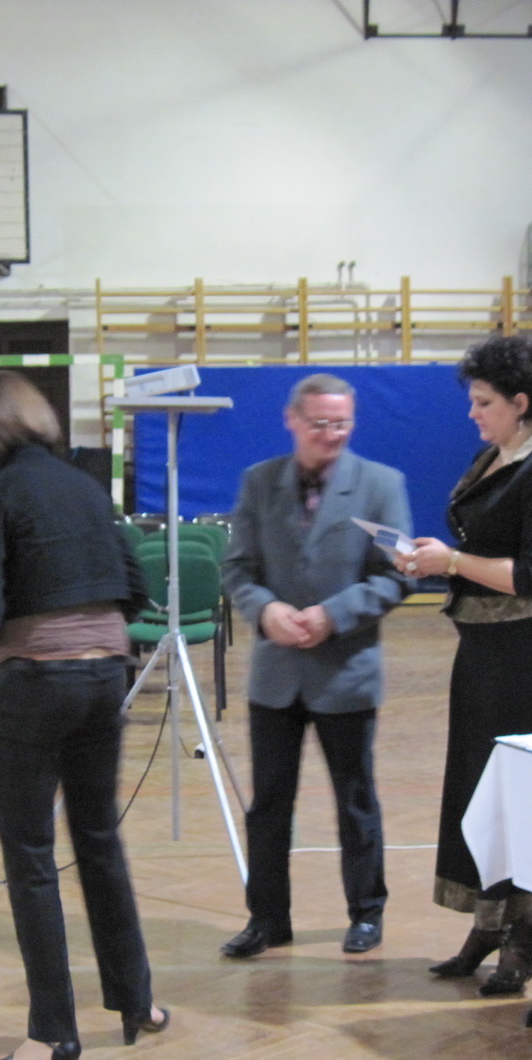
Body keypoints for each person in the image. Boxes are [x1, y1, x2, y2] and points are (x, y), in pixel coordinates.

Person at [0, 370, 168, 1060]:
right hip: (105, 676)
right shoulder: (86, 488)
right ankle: (137, 1000)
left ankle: (51, 1034)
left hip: (34, 683)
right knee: (99, 840)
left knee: (30, 857)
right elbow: (136, 590)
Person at [395, 334, 532, 996]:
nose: (472, 413)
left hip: (531, 649)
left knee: (520, 791)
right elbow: (482, 548)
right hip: (484, 642)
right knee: (477, 786)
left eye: (483, 402)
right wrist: (434, 557)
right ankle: (487, 921)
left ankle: (523, 935)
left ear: (520, 403)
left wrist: (449, 561)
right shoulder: (496, 456)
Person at [219, 373, 413, 959]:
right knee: (268, 806)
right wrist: (265, 610)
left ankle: (367, 914)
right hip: (276, 674)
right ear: (292, 420)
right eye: (320, 423)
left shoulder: (382, 484)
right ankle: (266, 919)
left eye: (342, 423)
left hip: (345, 669)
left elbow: (398, 574)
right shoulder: (258, 482)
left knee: (356, 801)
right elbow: (237, 569)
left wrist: (334, 615)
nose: (331, 434)